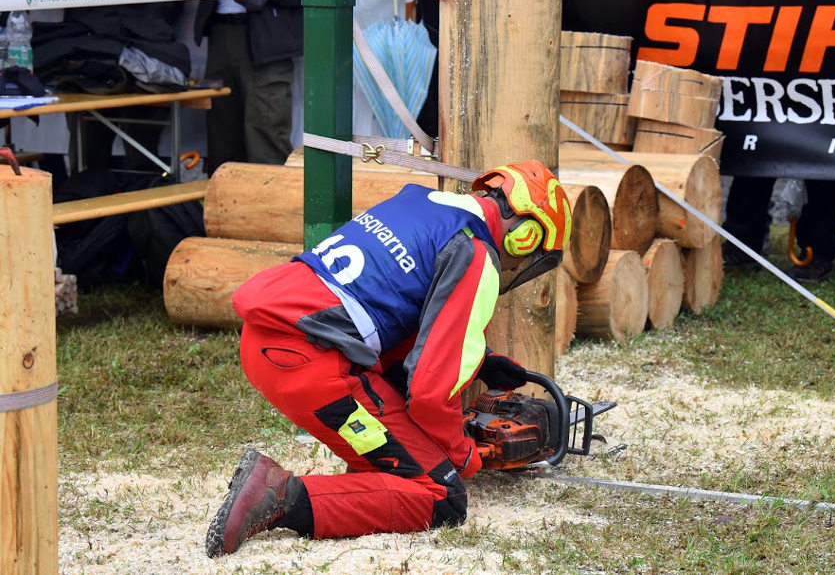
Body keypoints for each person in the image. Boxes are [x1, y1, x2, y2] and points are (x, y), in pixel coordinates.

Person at [204, 160, 573, 557]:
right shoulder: (475, 251)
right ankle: (278, 494)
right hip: (310, 364)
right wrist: (463, 453)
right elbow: (431, 393)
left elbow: (395, 307)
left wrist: (479, 360)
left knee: (401, 449)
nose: (518, 268)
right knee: (441, 494)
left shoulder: (421, 204)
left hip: (272, 340)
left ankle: (368, 470)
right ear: (525, 235)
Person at [194, 0, 303, 175]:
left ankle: (270, 199)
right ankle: (225, 199)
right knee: (222, 133)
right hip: (220, 29)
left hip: (268, 33)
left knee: (266, 130)